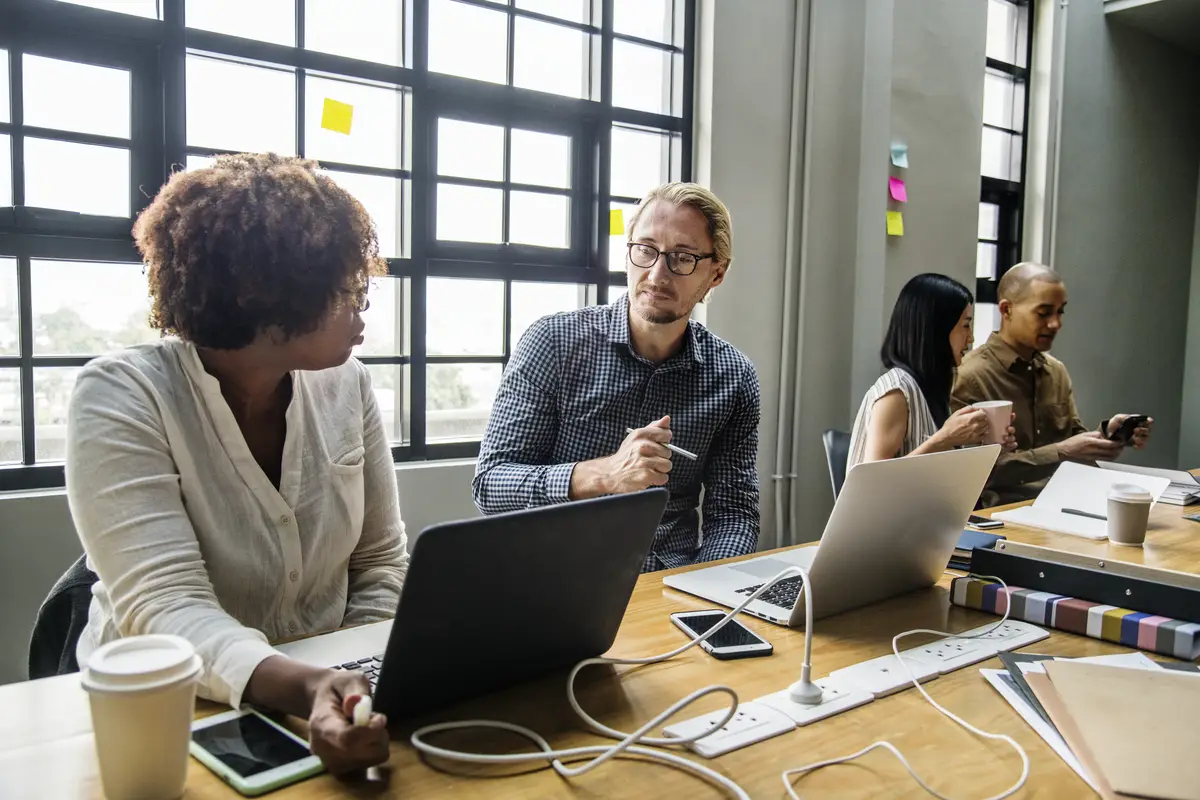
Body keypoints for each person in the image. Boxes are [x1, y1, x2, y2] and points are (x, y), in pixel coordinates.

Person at [66, 154, 405, 773]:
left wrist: (353, 679)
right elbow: (164, 607)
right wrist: (307, 686)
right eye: (347, 288)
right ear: (266, 295)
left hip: (330, 700)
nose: (363, 309)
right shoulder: (121, 396)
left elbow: (380, 561)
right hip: (161, 719)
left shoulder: (347, 384)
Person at [473, 182, 760, 572]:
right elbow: (491, 484)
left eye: (683, 257)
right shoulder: (553, 343)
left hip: (668, 584)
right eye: (645, 250)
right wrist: (605, 474)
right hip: (553, 579)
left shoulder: (734, 377)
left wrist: (705, 593)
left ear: (716, 274)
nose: (657, 274)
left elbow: (734, 513)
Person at [952, 262, 1152, 503]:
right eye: (1044, 312)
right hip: (1002, 514)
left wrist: (1107, 435)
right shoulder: (969, 377)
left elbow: (1073, 437)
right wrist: (1062, 452)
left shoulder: (1055, 371)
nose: (1056, 323)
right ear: (1006, 310)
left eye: (1060, 311)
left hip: (1064, 502)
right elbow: (973, 472)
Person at [848, 273, 1014, 468]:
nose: (971, 338)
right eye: (966, 326)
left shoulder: (932, 385)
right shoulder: (896, 393)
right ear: (936, 329)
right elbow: (872, 483)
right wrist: (945, 439)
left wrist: (990, 449)